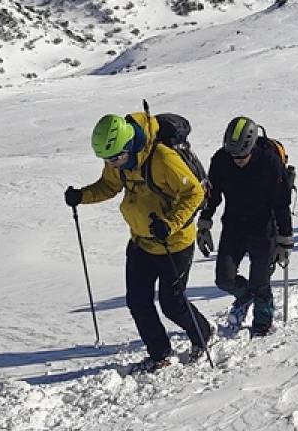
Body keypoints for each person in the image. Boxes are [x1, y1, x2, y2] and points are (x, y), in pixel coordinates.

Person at [65, 110, 211, 372]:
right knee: (138, 301)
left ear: (129, 144)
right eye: (107, 160)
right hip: (141, 242)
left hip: (173, 243)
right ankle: (160, 354)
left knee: (172, 304)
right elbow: (108, 186)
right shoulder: (118, 161)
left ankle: (202, 335)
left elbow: (194, 193)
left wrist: (170, 224)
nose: (113, 164)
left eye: (116, 158)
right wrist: (82, 196)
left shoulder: (163, 159)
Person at [198, 115, 293, 338]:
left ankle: (262, 324)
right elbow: (213, 196)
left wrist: (285, 238)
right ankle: (244, 295)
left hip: (264, 228)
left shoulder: (269, 161)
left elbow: (281, 202)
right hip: (233, 226)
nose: (237, 160)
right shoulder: (221, 160)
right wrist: (204, 222)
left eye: (242, 155)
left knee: (261, 281)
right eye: (233, 155)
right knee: (224, 279)